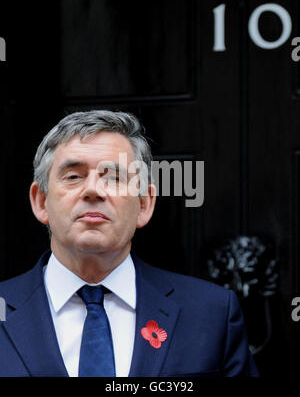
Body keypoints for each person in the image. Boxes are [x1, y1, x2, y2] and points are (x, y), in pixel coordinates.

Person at [0, 110, 259, 377]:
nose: (93, 190)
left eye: (113, 177)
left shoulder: (211, 314)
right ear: (41, 202)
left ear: (144, 205)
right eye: (73, 176)